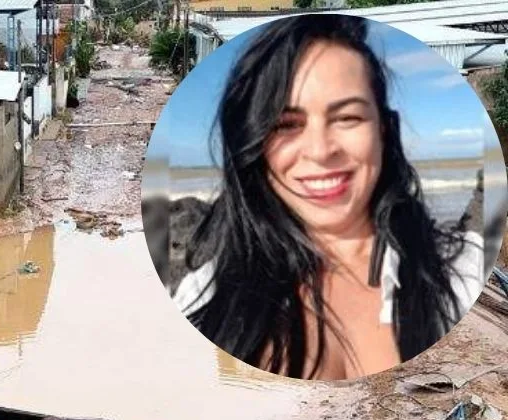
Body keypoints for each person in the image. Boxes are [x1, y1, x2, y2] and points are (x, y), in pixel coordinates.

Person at [173, 15, 485, 381]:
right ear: (254, 145)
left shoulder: (460, 273)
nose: (321, 151)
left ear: (384, 130)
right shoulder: (205, 293)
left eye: (347, 117)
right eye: (286, 124)